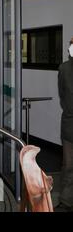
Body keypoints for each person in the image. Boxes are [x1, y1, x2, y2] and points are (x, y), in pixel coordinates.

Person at [58, 37, 73, 209]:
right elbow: (63, 96)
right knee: (68, 166)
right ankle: (66, 200)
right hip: (69, 125)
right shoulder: (64, 68)